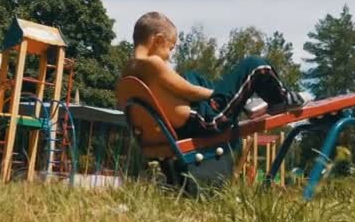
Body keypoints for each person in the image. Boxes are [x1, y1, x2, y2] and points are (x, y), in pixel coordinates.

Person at [122, 11, 309, 139]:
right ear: (158, 40)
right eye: (170, 48)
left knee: (191, 75)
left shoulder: (128, 73)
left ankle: (246, 102)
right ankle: (281, 99)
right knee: (255, 65)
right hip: (204, 121)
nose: (169, 55)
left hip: (182, 127)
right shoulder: (153, 64)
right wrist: (222, 94)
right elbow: (190, 92)